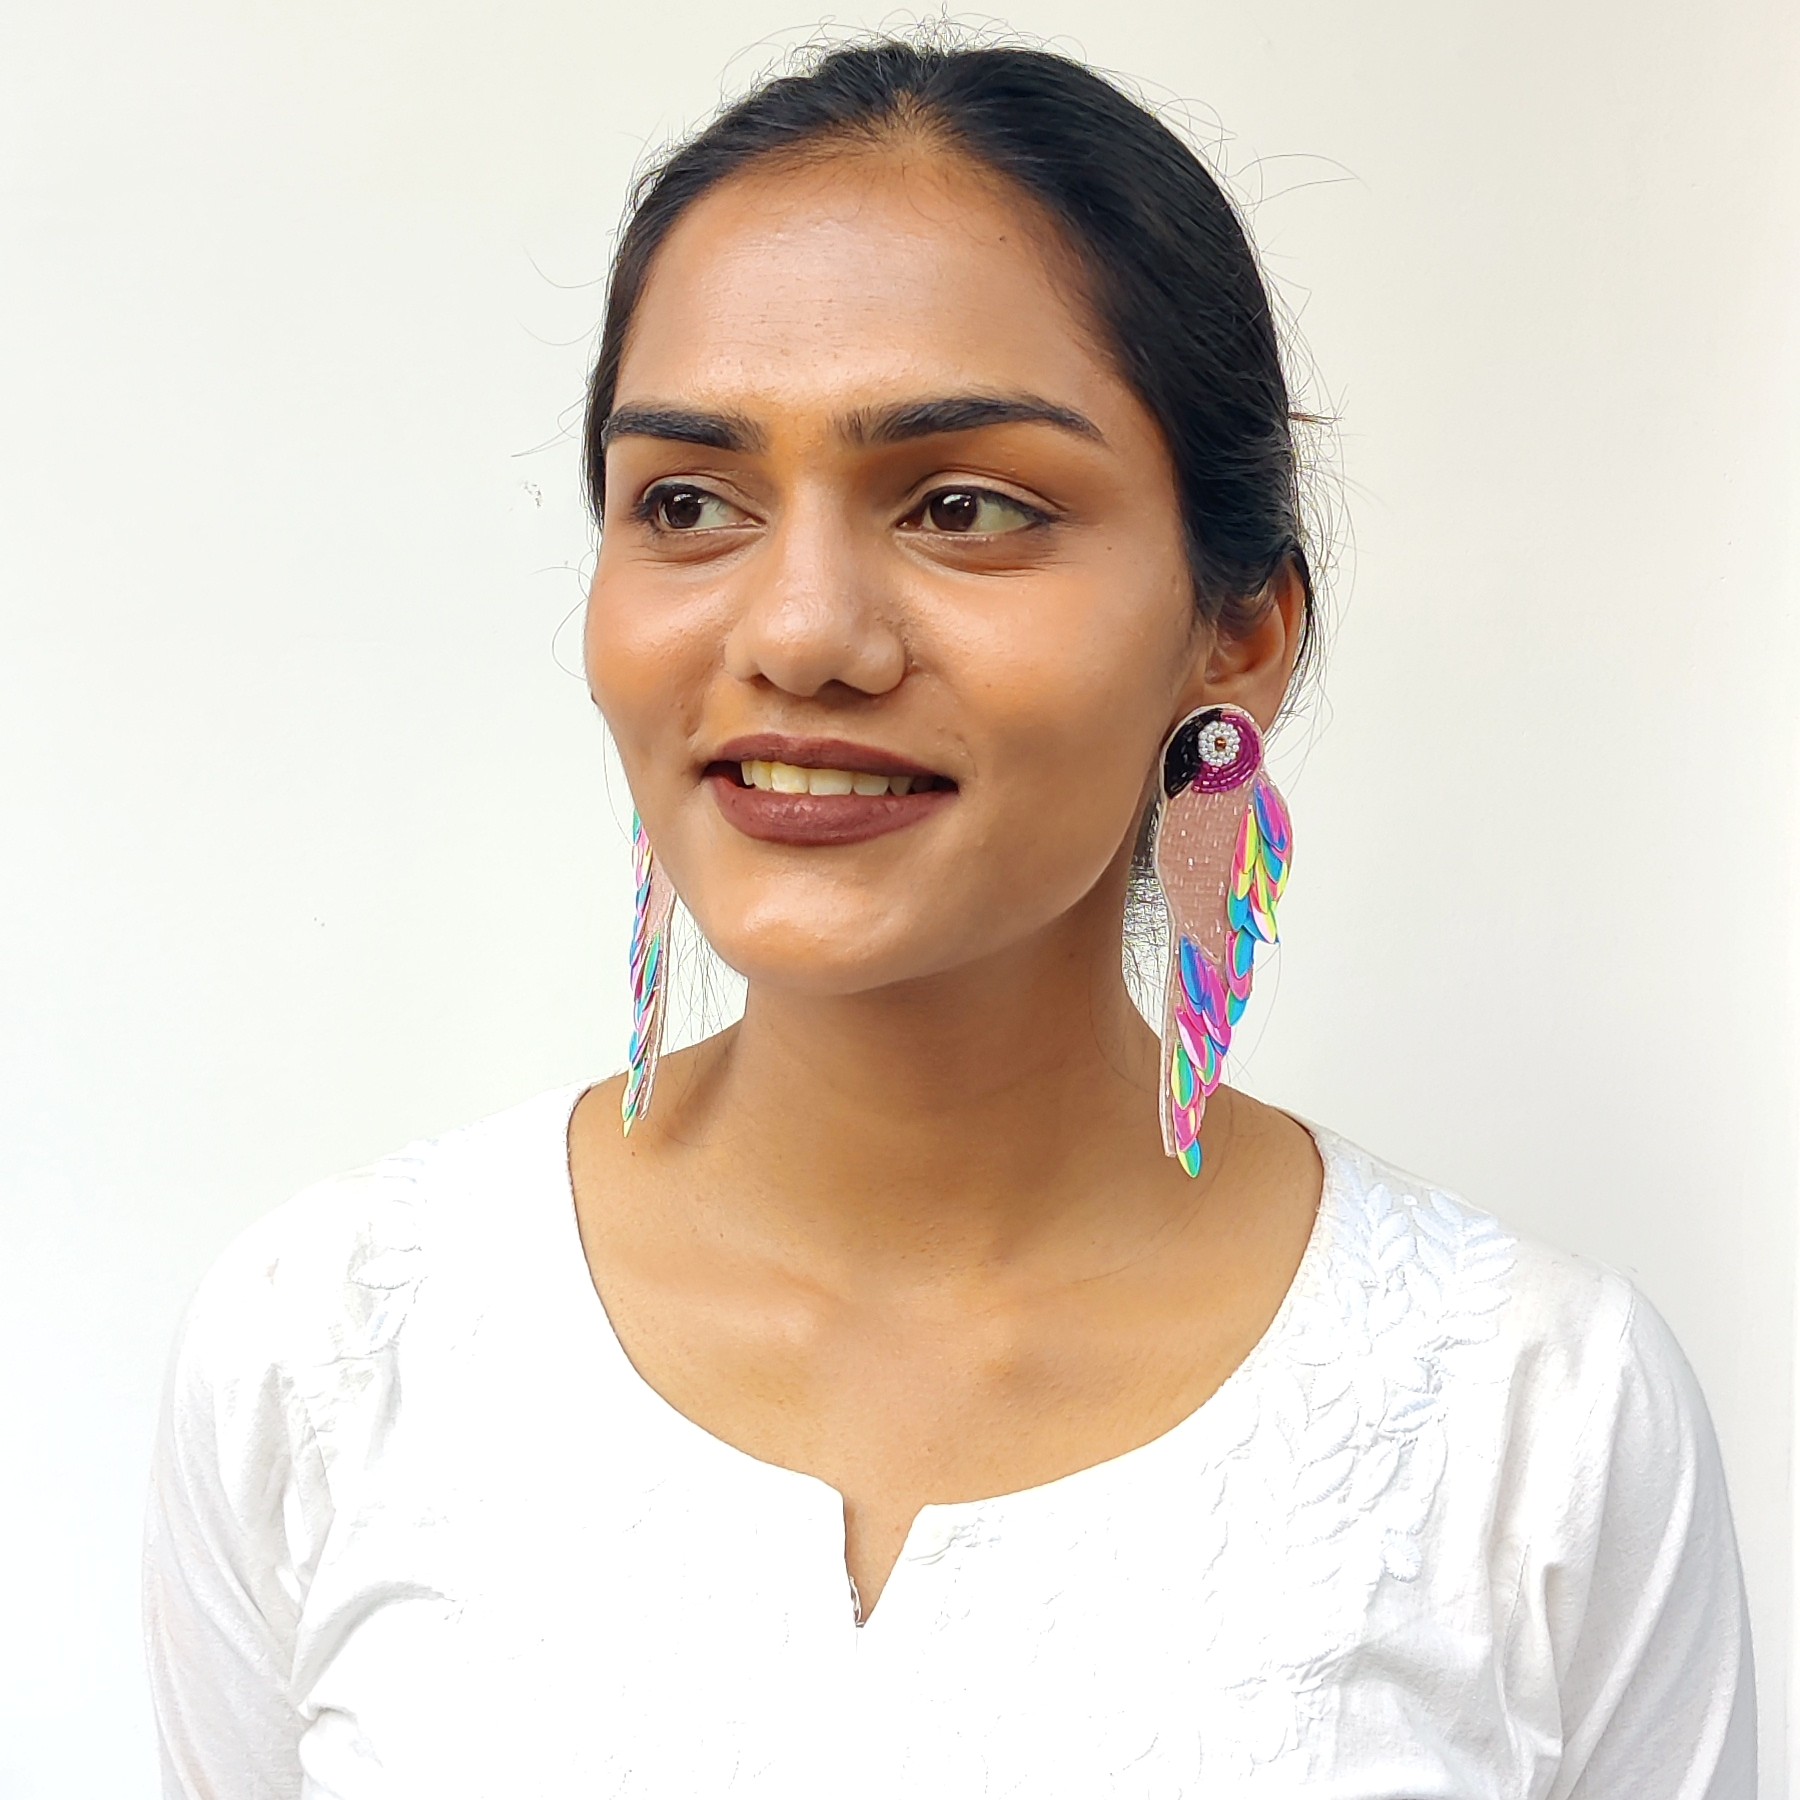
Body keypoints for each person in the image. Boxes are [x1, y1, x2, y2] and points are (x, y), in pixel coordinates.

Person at [142, 34, 1756, 1798]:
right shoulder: (330, 1347)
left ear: (1237, 636)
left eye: (965, 505)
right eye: (686, 503)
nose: (802, 630)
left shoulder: (1534, 1418)